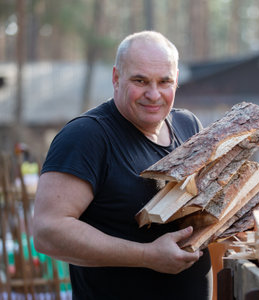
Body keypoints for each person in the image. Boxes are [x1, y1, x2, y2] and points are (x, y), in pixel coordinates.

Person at [32, 31, 212, 300]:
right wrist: (146, 255)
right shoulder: (86, 137)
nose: (154, 94)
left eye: (165, 82)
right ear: (116, 78)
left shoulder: (189, 126)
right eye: (140, 81)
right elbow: (48, 232)